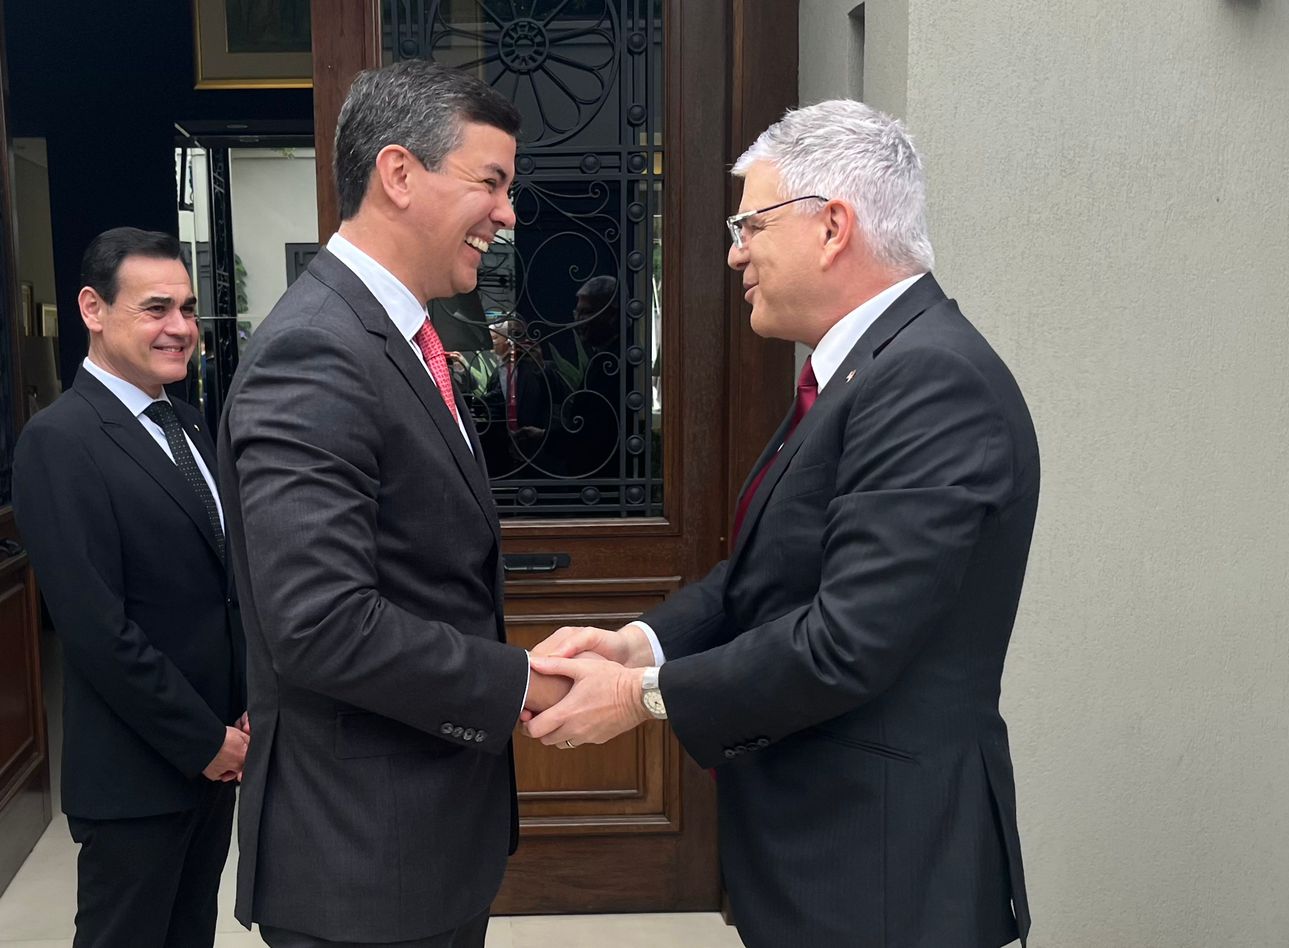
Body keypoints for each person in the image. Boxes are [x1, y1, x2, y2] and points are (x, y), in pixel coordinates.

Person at [526, 100, 1038, 948]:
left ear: (832, 226)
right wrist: (641, 644)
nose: (735, 252)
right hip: (833, 862)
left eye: (750, 223)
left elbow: (847, 641)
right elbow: (762, 579)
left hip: (884, 876)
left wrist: (641, 698)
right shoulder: (866, 372)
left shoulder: (931, 384)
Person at [216, 59, 568, 947]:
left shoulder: (398, 335)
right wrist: (517, 681)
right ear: (400, 174)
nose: (508, 213)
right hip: (364, 861)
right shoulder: (315, 352)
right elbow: (322, 623)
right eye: (491, 181)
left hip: (416, 846)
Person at [14, 227, 247, 947]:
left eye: (185, 308)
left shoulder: (188, 423)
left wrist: (238, 720)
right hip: (137, 774)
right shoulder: (60, 440)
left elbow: (219, 588)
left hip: (214, 762)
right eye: (154, 309)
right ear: (92, 308)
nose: (180, 328)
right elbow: (95, 628)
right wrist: (203, 738)